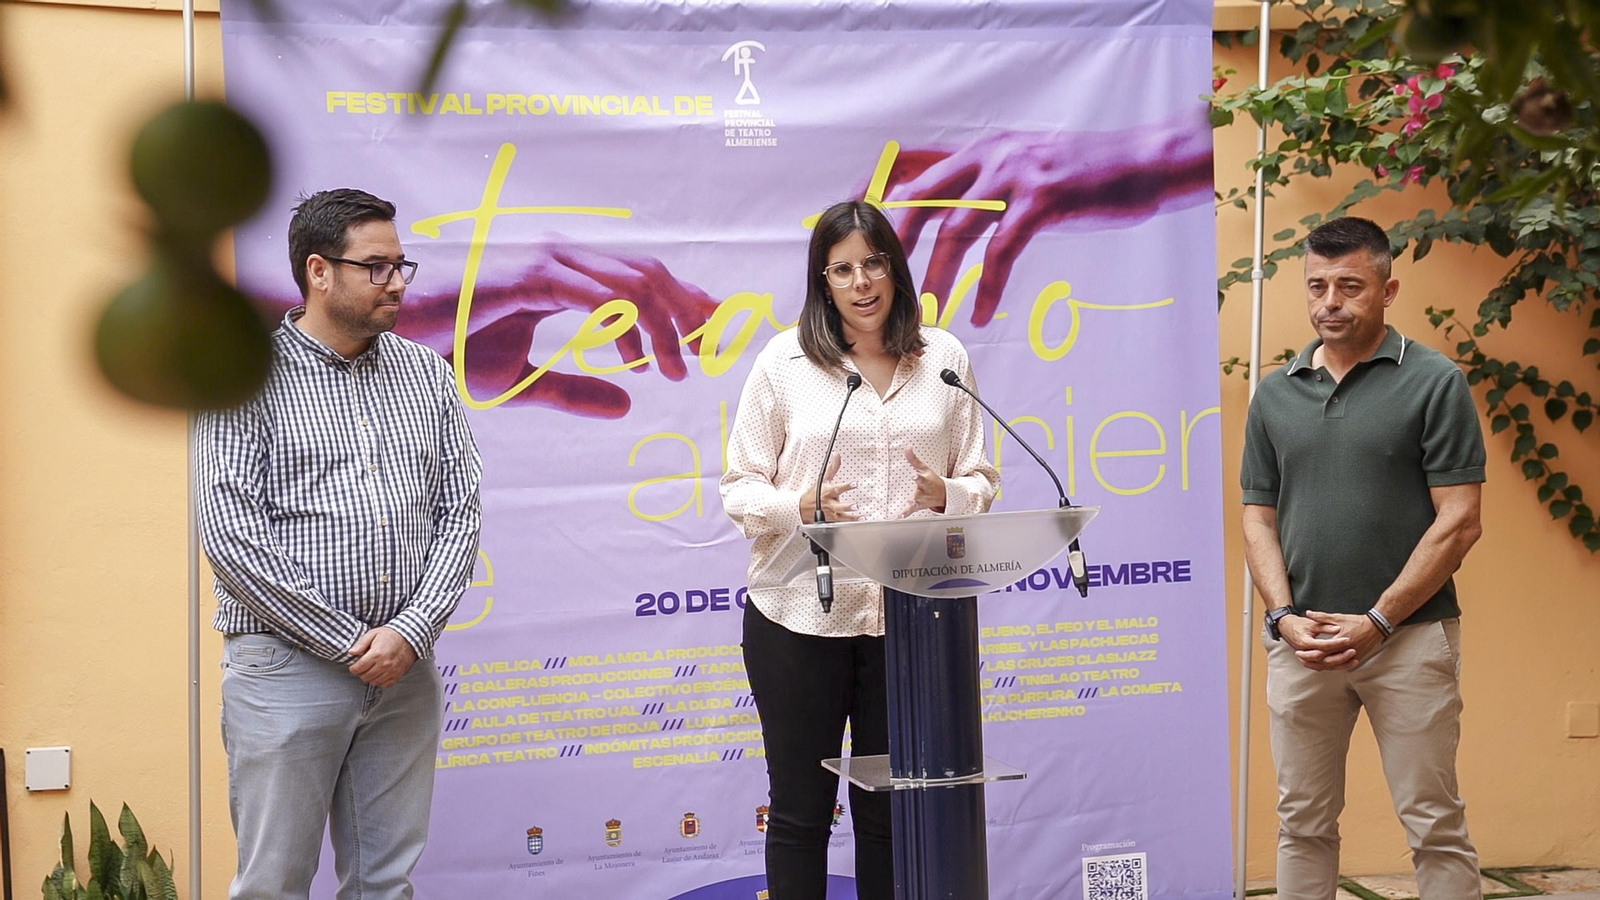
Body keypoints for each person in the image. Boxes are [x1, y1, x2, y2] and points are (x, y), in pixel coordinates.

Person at [196, 188, 483, 900]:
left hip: (405, 675)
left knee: (386, 883)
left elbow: (462, 510)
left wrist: (409, 633)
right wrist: (353, 642)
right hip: (287, 668)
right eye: (376, 267)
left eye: (401, 266)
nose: (397, 283)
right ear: (319, 272)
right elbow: (232, 534)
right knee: (274, 884)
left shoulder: (425, 373)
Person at [720, 200, 1000, 899]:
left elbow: (984, 478)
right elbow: (739, 489)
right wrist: (799, 508)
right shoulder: (784, 363)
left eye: (873, 263)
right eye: (842, 269)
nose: (861, 282)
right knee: (800, 810)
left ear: (895, 269)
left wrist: (950, 495)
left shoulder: (944, 359)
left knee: (889, 810)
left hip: (908, 625)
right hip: (797, 618)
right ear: (823, 282)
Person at [1241, 216, 1486, 900]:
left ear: (1387, 288)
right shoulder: (1275, 392)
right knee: (1302, 824)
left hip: (1408, 643)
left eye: (1350, 285)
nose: (1330, 301)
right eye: (1317, 285)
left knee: (1434, 823)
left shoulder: (1434, 382)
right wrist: (1284, 617)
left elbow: (1460, 522)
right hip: (1305, 644)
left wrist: (1377, 621)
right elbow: (1257, 517)